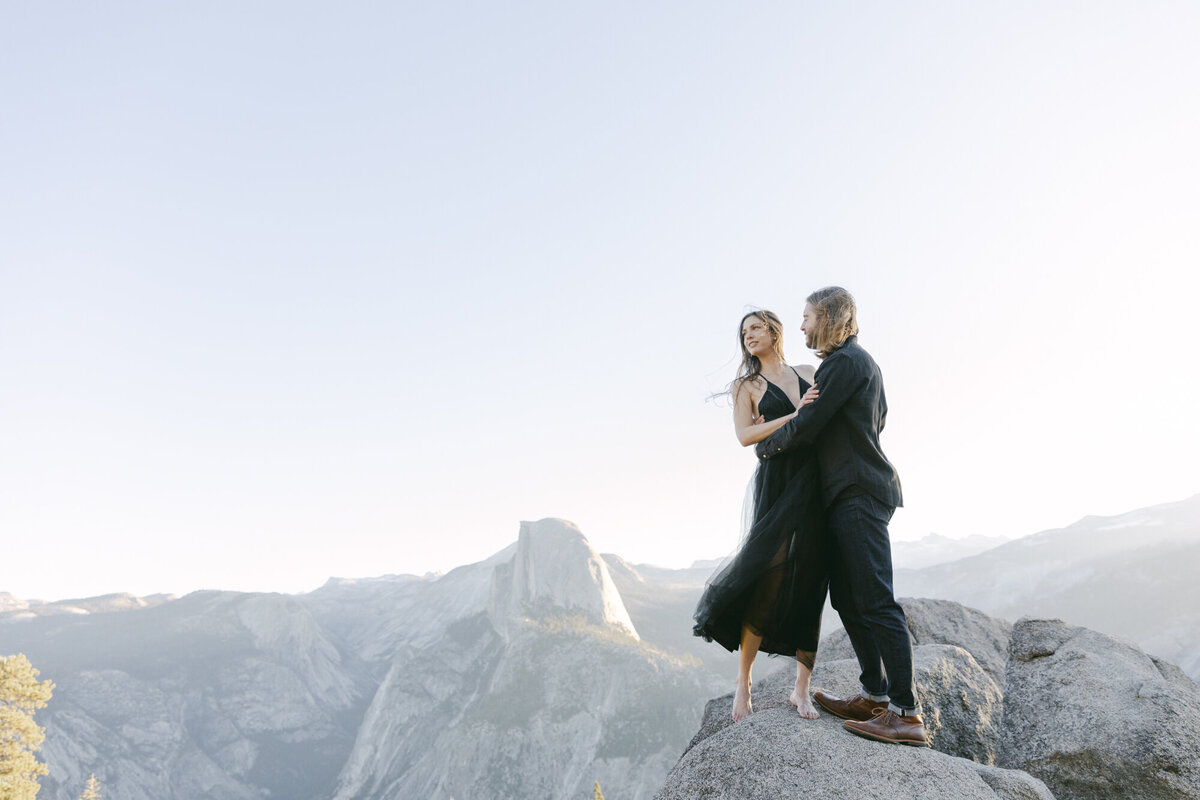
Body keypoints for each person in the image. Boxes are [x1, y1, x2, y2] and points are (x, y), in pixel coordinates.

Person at [755, 287, 927, 746]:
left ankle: (906, 713)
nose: (803, 326)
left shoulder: (843, 363)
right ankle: (874, 695)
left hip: (857, 492)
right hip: (850, 491)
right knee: (849, 601)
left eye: (807, 317)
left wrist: (767, 445)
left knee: (875, 600)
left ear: (827, 316)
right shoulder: (858, 364)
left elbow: (810, 424)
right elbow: (877, 421)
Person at [693, 310, 830, 722]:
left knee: (812, 577)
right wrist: (795, 415)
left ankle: (801, 689)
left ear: (774, 331)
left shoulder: (808, 370)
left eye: (755, 328)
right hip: (777, 480)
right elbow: (744, 435)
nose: (748, 336)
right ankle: (744, 682)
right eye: (743, 332)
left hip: (816, 479)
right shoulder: (747, 385)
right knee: (767, 576)